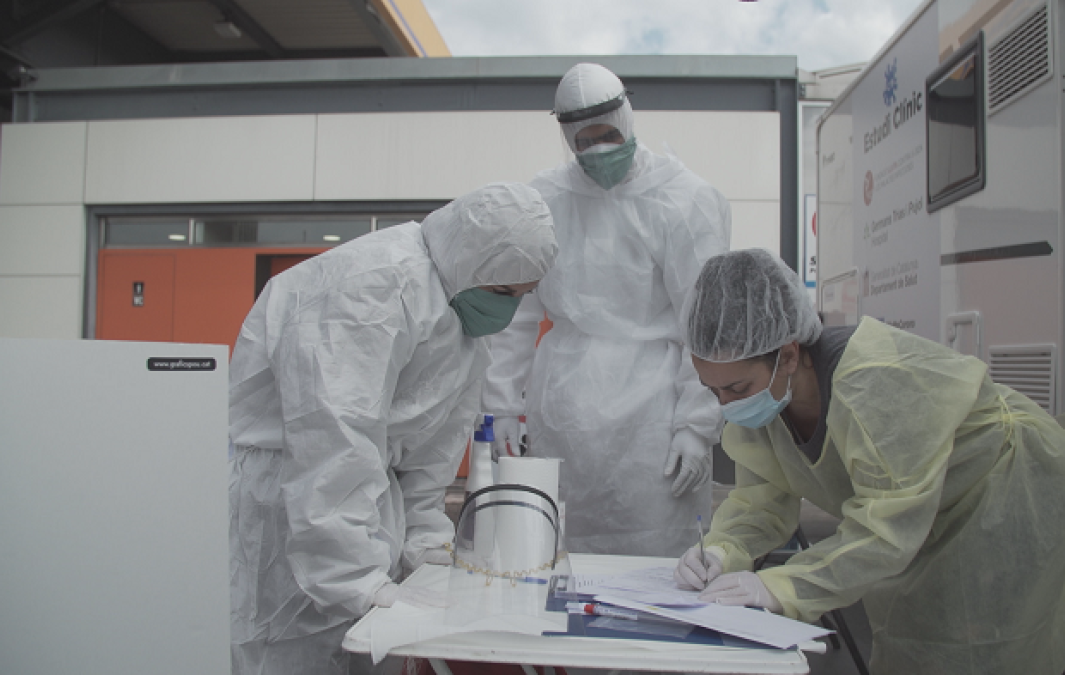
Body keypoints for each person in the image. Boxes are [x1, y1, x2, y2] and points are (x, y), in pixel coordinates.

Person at [674, 249, 1065, 674]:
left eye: (736, 388)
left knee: (985, 645)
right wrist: (725, 550)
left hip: (1001, 482)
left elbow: (885, 530)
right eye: (714, 392)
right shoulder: (763, 399)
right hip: (923, 505)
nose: (726, 406)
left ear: (788, 355)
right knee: (917, 636)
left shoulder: (872, 385)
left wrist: (780, 586)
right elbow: (760, 502)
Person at [229, 183, 558, 675]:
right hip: (286, 503)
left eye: (522, 296)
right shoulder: (372, 287)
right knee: (288, 649)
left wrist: (426, 550)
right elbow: (332, 441)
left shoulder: (460, 312)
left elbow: (432, 449)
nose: (509, 310)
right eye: (503, 293)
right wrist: (356, 578)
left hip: (364, 503)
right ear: (470, 260)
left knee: (367, 645)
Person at [482, 63, 731, 556]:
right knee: (560, 548)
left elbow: (703, 323)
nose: (598, 151)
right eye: (584, 142)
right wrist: (501, 407)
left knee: (654, 554)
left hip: (653, 413)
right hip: (564, 409)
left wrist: (697, 427)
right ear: (567, 138)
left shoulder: (684, 200)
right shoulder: (547, 198)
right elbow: (518, 310)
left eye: (608, 135)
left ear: (628, 118)